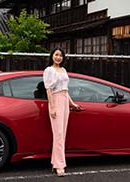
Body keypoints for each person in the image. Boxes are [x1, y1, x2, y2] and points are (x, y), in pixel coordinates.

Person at [43, 47, 81, 177]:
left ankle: (55, 162)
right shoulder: (49, 70)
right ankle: (60, 165)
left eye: (61, 55)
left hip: (64, 100)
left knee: (62, 134)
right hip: (56, 100)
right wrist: (52, 107)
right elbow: (48, 89)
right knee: (58, 134)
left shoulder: (63, 70)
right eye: (56, 55)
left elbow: (65, 89)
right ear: (52, 56)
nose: (58, 57)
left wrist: (72, 103)